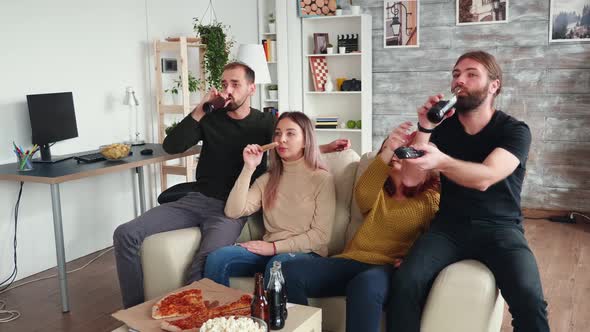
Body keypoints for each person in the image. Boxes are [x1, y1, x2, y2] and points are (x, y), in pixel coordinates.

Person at [113, 62, 350, 308]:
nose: (228, 90)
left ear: (251, 89)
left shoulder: (265, 123)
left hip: (231, 207)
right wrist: (203, 108)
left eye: (235, 84)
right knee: (125, 234)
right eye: (224, 84)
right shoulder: (209, 118)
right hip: (197, 197)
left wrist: (325, 148)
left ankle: (192, 318)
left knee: (208, 260)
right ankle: (135, 314)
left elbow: (289, 145)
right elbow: (172, 146)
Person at [389, 50, 549, 331]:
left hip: (501, 228)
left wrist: (442, 161)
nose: (459, 81)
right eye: (456, 74)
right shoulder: (441, 129)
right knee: (405, 282)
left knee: (530, 299)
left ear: (494, 85)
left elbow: (486, 177)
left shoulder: (514, 131)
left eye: (471, 74)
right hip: (449, 228)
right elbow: (412, 179)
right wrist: (425, 126)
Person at [281, 122, 440, 332]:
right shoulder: (378, 191)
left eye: (404, 152)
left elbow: (439, 238)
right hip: (352, 259)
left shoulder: (429, 200)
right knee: (287, 272)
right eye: (393, 151)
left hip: (387, 268)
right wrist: (387, 149)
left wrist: (415, 258)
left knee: (364, 286)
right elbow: (363, 195)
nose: (396, 156)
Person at [204, 112, 336, 286]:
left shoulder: (322, 179)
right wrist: (249, 168)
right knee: (217, 258)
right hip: (269, 251)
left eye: (290, 133)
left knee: (276, 266)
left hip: (306, 253)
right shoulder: (268, 179)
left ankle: (277, 313)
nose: (281, 139)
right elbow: (233, 211)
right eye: (278, 133)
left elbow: (320, 236)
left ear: (305, 140)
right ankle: (221, 313)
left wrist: (274, 248)